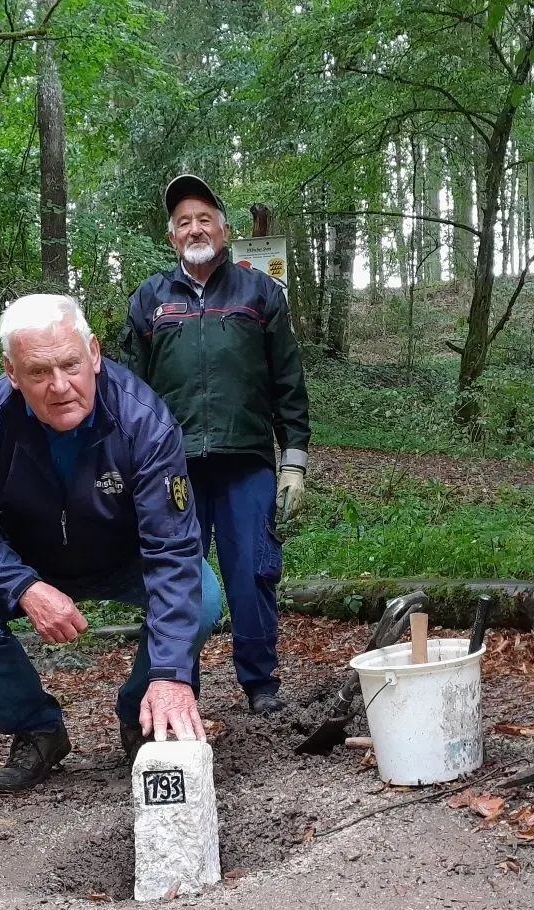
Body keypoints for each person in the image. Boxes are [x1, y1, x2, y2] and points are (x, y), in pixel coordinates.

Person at [0, 294, 223, 793]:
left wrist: (171, 675)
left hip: (129, 557)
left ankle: (140, 716)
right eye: (39, 373)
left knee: (204, 598)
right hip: (28, 564)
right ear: (12, 373)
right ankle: (36, 728)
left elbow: (171, 549)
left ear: (95, 355)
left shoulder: (143, 420)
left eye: (71, 365)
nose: (60, 387)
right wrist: (24, 586)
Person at [119, 175, 310, 716]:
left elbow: (288, 382)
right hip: (170, 468)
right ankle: (180, 684)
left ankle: (260, 682)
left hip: (245, 459)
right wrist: (126, 464)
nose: (195, 228)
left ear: (224, 231)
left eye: (205, 218)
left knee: (253, 572)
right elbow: (128, 390)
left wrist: (293, 459)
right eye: (184, 221)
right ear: (171, 236)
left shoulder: (260, 294)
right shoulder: (150, 300)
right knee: (176, 578)